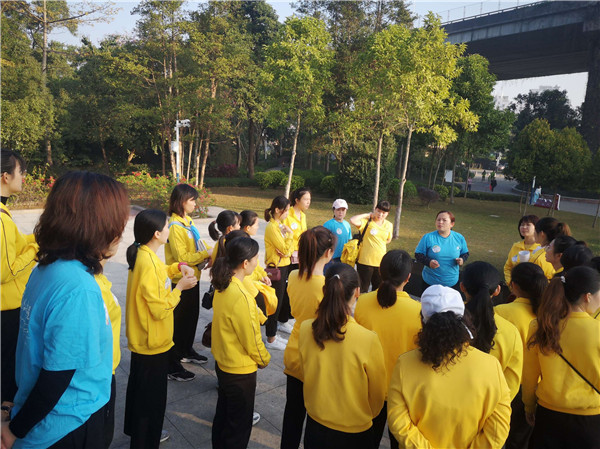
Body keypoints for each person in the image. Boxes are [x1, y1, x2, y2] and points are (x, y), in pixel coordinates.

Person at [1, 171, 129, 449]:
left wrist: (10, 405)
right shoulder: (79, 288)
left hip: (39, 416)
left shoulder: (46, 269)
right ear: (100, 226)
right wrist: (14, 431)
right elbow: (56, 377)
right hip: (66, 424)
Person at [387, 285, 511, 448]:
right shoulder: (491, 366)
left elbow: (398, 420)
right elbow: (498, 429)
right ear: (464, 320)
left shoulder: (405, 363)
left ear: (424, 321)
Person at [124, 209, 198, 449]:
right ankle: (145, 439)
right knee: (151, 401)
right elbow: (159, 309)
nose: (169, 229)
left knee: (142, 396)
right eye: (166, 226)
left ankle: (141, 434)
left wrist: (178, 267)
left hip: (147, 340)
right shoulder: (147, 262)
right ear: (156, 233)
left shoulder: (146, 254)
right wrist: (180, 289)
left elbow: (161, 272)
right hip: (151, 342)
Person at [298, 263, 386, 448]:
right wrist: (365, 413)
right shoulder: (368, 339)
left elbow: (307, 372)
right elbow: (377, 394)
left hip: (316, 425)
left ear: (325, 290)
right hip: (355, 430)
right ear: (357, 292)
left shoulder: (306, 328)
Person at [522, 266, 600, 449]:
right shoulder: (597, 330)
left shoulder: (540, 326)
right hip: (590, 420)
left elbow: (530, 374)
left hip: (548, 416)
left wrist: (528, 406)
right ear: (587, 297)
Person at [354, 250, 421, 449]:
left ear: (380, 272)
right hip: (402, 393)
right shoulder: (418, 312)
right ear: (408, 278)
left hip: (367, 388)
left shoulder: (362, 302)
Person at [211, 237, 271, 449]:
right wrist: (264, 359)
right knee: (238, 426)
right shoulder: (241, 295)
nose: (257, 262)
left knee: (224, 416)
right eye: (256, 258)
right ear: (245, 263)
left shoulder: (223, 284)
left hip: (224, 364)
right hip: (240, 371)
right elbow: (252, 339)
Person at [280, 226, 335, 449]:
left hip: (295, 350)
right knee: (316, 416)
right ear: (328, 253)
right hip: (319, 355)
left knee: (292, 412)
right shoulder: (328, 287)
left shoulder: (293, 276)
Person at [0, 150, 37, 419]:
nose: (23, 176)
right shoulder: (1, 218)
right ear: (5, 176)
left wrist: (35, 239)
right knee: (7, 369)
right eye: (20, 171)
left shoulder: (4, 213)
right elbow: (6, 270)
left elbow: (13, 243)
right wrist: (36, 250)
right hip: (6, 310)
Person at [496, 262, 548, 449]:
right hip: (538, 387)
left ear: (514, 285)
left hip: (508, 385)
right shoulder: (549, 314)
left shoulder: (501, 312)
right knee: (520, 439)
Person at [165, 184, 212, 382]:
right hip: (181, 280)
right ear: (181, 201)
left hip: (193, 276)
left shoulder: (187, 222)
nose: (195, 203)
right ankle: (172, 363)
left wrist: (210, 253)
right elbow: (182, 257)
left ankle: (186, 350)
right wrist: (206, 253)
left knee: (191, 317)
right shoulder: (175, 227)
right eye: (192, 200)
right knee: (179, 321)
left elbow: (198, 245)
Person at [461, 261, 523, 400]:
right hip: (491, 406)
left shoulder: (444, 320)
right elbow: (511, 384)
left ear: (462, 286)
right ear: (497, 290)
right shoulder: (510, 332)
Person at [96, 239, 124, 449]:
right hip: (100, 372)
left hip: (107, 368)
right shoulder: (91, 287)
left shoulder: (98, 279)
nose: (119, 238)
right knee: (101, 434)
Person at [264, 196, 294, 350]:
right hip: (276, 268)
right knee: (274, 303)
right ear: (277, 210)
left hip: (284, 266)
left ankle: (273, 334)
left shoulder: (280, 225)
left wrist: (287, 248)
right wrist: (290, 235)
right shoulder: (272, 227)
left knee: (280, 301)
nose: (287, 213)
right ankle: (270, 338)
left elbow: (287, 251)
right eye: (286, 210)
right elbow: (285, 249)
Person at [281, 187, 311, 333]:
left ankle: (290, 316)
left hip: (300, 257)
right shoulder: (288, 215)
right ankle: (282, 319)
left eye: (310, 199)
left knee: (296, 288)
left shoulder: (303, 216)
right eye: (306, 199)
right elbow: (282, 235)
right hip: (287, 257)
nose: (308, 202)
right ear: (297, 200)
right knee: (286, 287)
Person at [415, 210, 469, 292]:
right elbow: (418, 254)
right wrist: (429, 262)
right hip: (430, 283)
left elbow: (465, 253)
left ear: (452, 224)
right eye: (438, 220)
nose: (440, 222)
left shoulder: (459, 238)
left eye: (444, 220)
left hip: (452, 283)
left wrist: (462, 260)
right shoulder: (428, 237)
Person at [349, 200, 393, 293]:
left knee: (378, 289)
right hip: (365, 262)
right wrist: (367, 214)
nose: (380, 214)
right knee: (362, 289)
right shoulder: (367, 222)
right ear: (375, 210)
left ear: (387, 214)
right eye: (378, 211)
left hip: (380, 262)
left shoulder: (389, 225)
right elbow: (352, 220)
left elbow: (388, 240)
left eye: (384, 213)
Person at [503, 215, 540, 284]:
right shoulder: (516, 246)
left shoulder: (542, 249)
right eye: (522, 225)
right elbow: (508, 267)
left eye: (528, 225)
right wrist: (511, 284)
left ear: (536, 228)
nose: (524, 227)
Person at [322, 199, 351, 272]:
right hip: (331, 258)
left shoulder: (347, 225)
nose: (341, 212)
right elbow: (323, 241)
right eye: (338, 210)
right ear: (334, 210)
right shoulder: (328, 224)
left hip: (343, 258)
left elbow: (349, 240)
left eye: (343, 210)